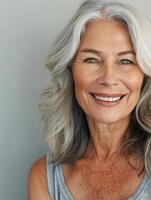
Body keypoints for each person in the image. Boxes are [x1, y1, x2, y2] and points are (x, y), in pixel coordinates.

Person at [28, 0, 151, 199]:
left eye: (126, 61)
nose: (109, 78)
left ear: (144, 76)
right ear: (70, 71)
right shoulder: (45, 176)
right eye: (91, 59)